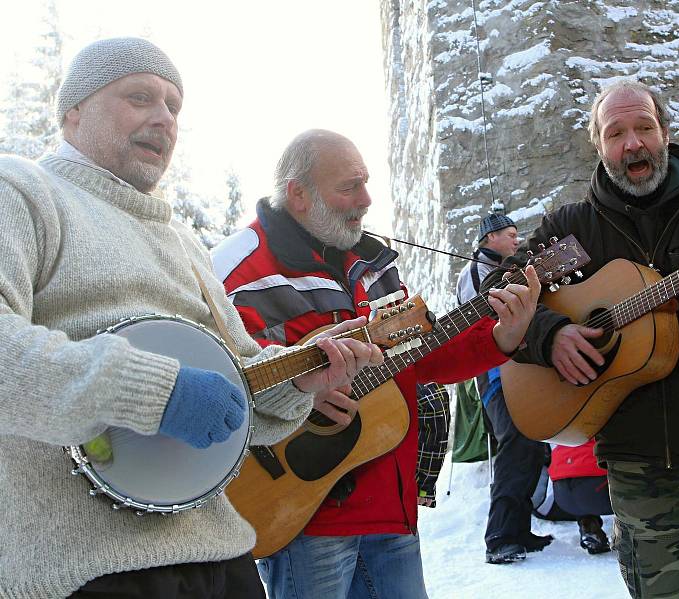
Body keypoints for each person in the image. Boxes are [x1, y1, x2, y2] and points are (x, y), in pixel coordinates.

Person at [0, 38, 383, 599]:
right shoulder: (24, 192)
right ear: (73, 111)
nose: (163, 119)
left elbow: (239, 389)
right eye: (139, 98)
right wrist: (153, 391)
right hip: (81, 568)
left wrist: (298, 382)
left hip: (219, 552)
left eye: (173, 107)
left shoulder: (182, 241)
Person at [484, 79, 679, 598]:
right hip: (636, 461)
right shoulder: (574, 228)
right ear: (599, 146)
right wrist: (551, 335)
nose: (633, 143)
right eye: (616, 133)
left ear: (665, 134)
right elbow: (507, 288)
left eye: (644, 128)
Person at [211, 128, 540, 598]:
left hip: (390, 504)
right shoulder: (236, 271)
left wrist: (502, 336)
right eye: (349, 187)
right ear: (297, 195)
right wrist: (300, 394)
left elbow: (416, 358)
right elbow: (215, 384)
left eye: (365, 183)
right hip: (301, 508)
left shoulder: (372, 263)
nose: (366, 200)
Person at [456, 212, 554, 564]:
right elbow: (478, 320)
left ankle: (518, 530)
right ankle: (499, 537)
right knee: (516, 442)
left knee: (530, 445)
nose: (516, 240)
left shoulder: (502, 268)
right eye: (509, 234)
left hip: (518, 373)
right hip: (496, 375)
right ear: (489, 238)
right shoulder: (473, 274)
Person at [532, 440, 613, 555]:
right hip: (594, 490)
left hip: (562, 495)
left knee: (583, 483)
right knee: (634, 486)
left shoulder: (569, 425)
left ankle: (589, 526)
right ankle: (634, 535)